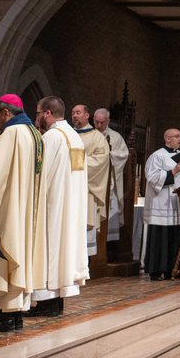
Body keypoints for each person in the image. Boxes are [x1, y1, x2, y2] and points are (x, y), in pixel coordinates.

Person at [0, 93, 40, 333]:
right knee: (19, 257)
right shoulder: (34, 134)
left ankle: (1, 315)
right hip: (24, 210)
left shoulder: (11, 134)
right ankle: (15, 314)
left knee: (0, 256)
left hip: (7, 210)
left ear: (5, 113)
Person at [32, 96, 89, 316]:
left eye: (38, 113)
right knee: (64, 248)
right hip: (72, 203)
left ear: (47, 113)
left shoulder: (53, 137)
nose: (37, 118)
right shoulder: (74, 137)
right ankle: (57, 302)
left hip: (54, 204)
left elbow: (41, 173)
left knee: (52, 247)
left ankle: (47, 301)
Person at [142, 128, 180, 281]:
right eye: (177, 136)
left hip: (178, 204)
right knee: (161, 237)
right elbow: (152, 178)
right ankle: (157, 271)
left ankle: (176, 269)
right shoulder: (157, 156)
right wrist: (173, 171)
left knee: (177, 236)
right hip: (162, 203)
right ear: (167, 139)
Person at [71, 104, 111, 258]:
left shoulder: (97, 137)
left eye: (78, 113)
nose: (75, 115)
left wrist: (74, 161)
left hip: (86, 190)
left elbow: (101, 161)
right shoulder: (68, 134)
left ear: (87, 115)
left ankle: (83, 264)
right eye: (73, 113)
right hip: (67, 188)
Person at [94, 108, 130, 246]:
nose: (98, 125)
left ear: (108, 121)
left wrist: (109, 156)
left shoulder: (116, 137)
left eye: (101, 122)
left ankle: (107, 247)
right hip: (93, 183)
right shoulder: (90, 135)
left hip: (110, 183)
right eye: (96, 122)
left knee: (109, 215)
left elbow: (124, 155)